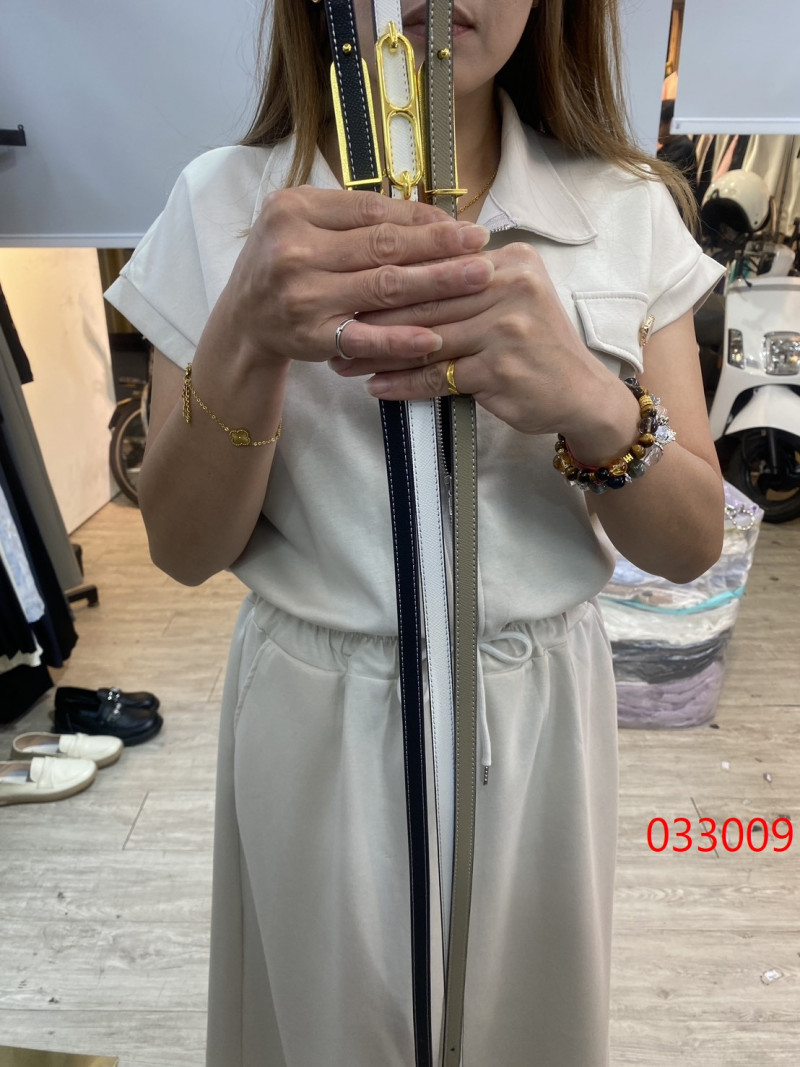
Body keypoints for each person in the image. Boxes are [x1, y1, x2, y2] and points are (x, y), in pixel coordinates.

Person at [105, 1, 725, 1063]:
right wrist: (249, 329)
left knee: (528, 1028)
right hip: (316, 714)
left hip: (537, 722)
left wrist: (590, 400)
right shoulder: (224, 206)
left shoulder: (622, 207)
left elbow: (690, 541)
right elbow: (182, 545)